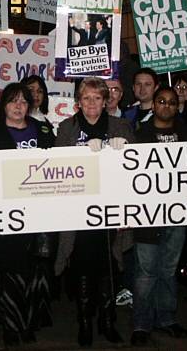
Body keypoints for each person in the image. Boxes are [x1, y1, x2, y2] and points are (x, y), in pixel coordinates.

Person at [54, 77, 135, 347]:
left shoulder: (121, 126)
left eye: (97, 98)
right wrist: (80, 153)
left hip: (111, 210)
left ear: (106, 101)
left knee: (109, 265)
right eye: (86, 98)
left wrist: (125, 151)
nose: (91, 103)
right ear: (79, 101)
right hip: (78, 212)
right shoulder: (67, 128)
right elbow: (57, 170)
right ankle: (85, 321)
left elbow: (135, 172)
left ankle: (108, 320)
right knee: (83, 266)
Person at [0, 83, 56, 347]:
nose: (18, 106)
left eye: (23, 102)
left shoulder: (42, 132)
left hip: (38, 212)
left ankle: (30, 321)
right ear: (4, 105)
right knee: (10, 269)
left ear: (30, 106)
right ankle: (10, 324)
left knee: (35, 269)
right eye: (13, 101)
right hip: (7, 213)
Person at [130, 87, 187, 346]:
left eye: (171, 102)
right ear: (153, 105)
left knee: (167, 269)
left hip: (177, 214)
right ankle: (142, 324)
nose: (166, 106)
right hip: (147, 215)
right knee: (146, 272)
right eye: (161, 101)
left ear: (177, 106)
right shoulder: (139, 135)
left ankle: (166, 318)